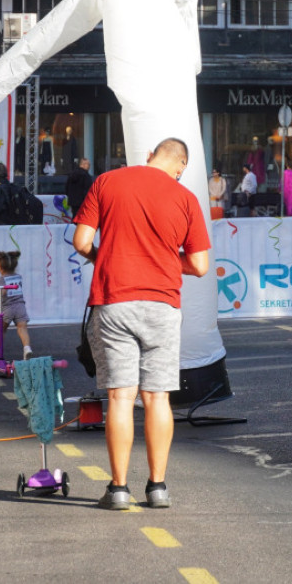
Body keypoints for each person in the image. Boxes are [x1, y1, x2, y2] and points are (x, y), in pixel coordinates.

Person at [72, 138, 210, 511]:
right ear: (180, 166)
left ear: (149, 154)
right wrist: (165, 258)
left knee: (120, 396)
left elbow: (81, 241)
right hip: (162, 304)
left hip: (114, 300)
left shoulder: (106, 181)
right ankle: (158, 487)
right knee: (157, 397)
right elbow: (199, 265)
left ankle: (118, 489)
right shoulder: (185, 199)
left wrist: (107, 255)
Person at [0, 250, 32, 361]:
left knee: (1, 329)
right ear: (14, 267)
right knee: (22, 328)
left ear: (0, 267)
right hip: (20, 307)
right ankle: (27, 349)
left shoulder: (1, 279)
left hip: (8, 308)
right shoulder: (18, 277)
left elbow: (3, 292)